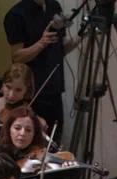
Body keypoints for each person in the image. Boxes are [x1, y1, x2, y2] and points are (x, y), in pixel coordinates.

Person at [4, 0, 76, 133]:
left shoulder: (54, 6)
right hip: (32, 93)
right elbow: (17, 56)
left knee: (55, 137)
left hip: (55, 88)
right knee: (34, 138)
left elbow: (61, 50)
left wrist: (83, 35)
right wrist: (42, 43)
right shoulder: (16, 15)